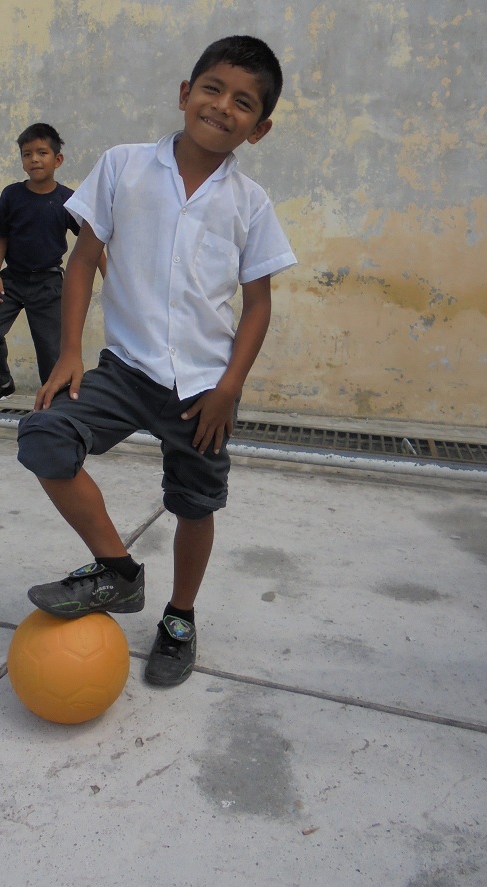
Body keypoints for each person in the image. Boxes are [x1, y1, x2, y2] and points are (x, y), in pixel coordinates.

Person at [17, 35, 297, 687]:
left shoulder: (250, 204)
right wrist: (68, 352)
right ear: (184, 93)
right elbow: (83, 260)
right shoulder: (123, 165)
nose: (222, 106)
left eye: (243, 102)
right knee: (45, 435)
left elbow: (257, 306)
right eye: (212, 89)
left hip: (202, 389)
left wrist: (229, 388)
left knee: (195, 504)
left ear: (259, 128)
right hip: (123, 369)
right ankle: (117, 571)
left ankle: (179, 617)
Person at [0, 123, 100, 410]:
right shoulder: (12, 195)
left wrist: (109, 276)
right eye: (27, 154)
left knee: (51, 352)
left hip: (48, 285)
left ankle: (53, 409)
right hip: (12, 280)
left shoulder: (69, 200)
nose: (34, 159)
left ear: (57, 159)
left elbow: (90, 243)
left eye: (42, 153)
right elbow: (2, 236)